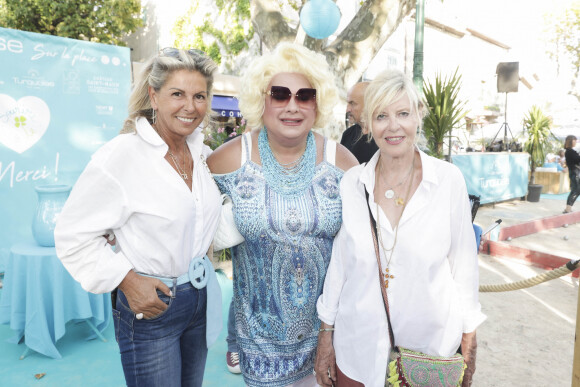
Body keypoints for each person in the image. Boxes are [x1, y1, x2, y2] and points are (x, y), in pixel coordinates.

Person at [55, 48, 222, 387]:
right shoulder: (121, 156)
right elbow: (72, 235)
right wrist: (126, 280)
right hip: (152, 304)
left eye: (199, 96)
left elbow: (202, 223)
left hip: (199, 299)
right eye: (177, 94)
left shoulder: (200, 153)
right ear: (154, 96)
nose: (190, 107)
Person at [315, 69, 486, 387]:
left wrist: (469, 337)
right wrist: (326, 332)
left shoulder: (447, 181)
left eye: (403, 113)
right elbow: (341, 261)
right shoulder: (353, 182)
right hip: (357, 349)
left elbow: (463, 266)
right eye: (381, 116)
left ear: (418, 115)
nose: (393, 126)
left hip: (427, 352)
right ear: (367, 124)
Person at [207, 42, 358, 386]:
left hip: (329, 341)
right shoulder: (227, 160)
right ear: (262, 99)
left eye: (305, 95)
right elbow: (184, 215)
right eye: (280, 94)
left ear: (317, 103)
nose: (292, 106)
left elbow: (363, 248)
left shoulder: (343, 163)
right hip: (260, 348)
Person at [340, 81, 379, 163]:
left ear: (369, 104)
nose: (347, 109)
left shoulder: (383, 138)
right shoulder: (348, 135)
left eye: (352, 103)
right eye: (348, 103)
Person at [563, 135, 580, 213]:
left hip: (574, 172)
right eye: (575, 141)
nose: (576, 142)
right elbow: (578, 160)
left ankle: (568, 208)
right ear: (571, 141)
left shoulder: (570, 151)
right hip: (575, 172)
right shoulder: (570, 152)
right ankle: (568, 208)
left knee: (575, 190)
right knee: (576, 190)